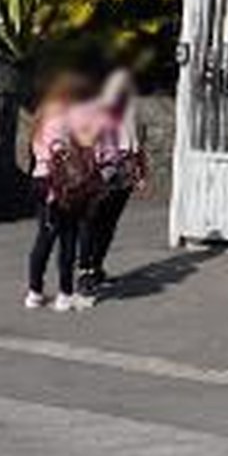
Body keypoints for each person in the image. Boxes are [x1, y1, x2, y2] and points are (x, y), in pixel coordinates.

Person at [23, 70, 103, 311]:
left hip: (40, 181)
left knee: (44, 239)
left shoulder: (40, 118)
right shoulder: (63, 122)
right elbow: (76, 153)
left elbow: (36, 154)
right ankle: (64, 295)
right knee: (67, 240)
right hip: (60, 186)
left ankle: (35, 292)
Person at [74, 66, 148, 300]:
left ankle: (96, 267)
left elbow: (136, 146)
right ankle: (85, 271)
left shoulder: (127, 113)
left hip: (122, 175)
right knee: (89, 222)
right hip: (96, 175)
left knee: (108, 224)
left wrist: (141, 173)